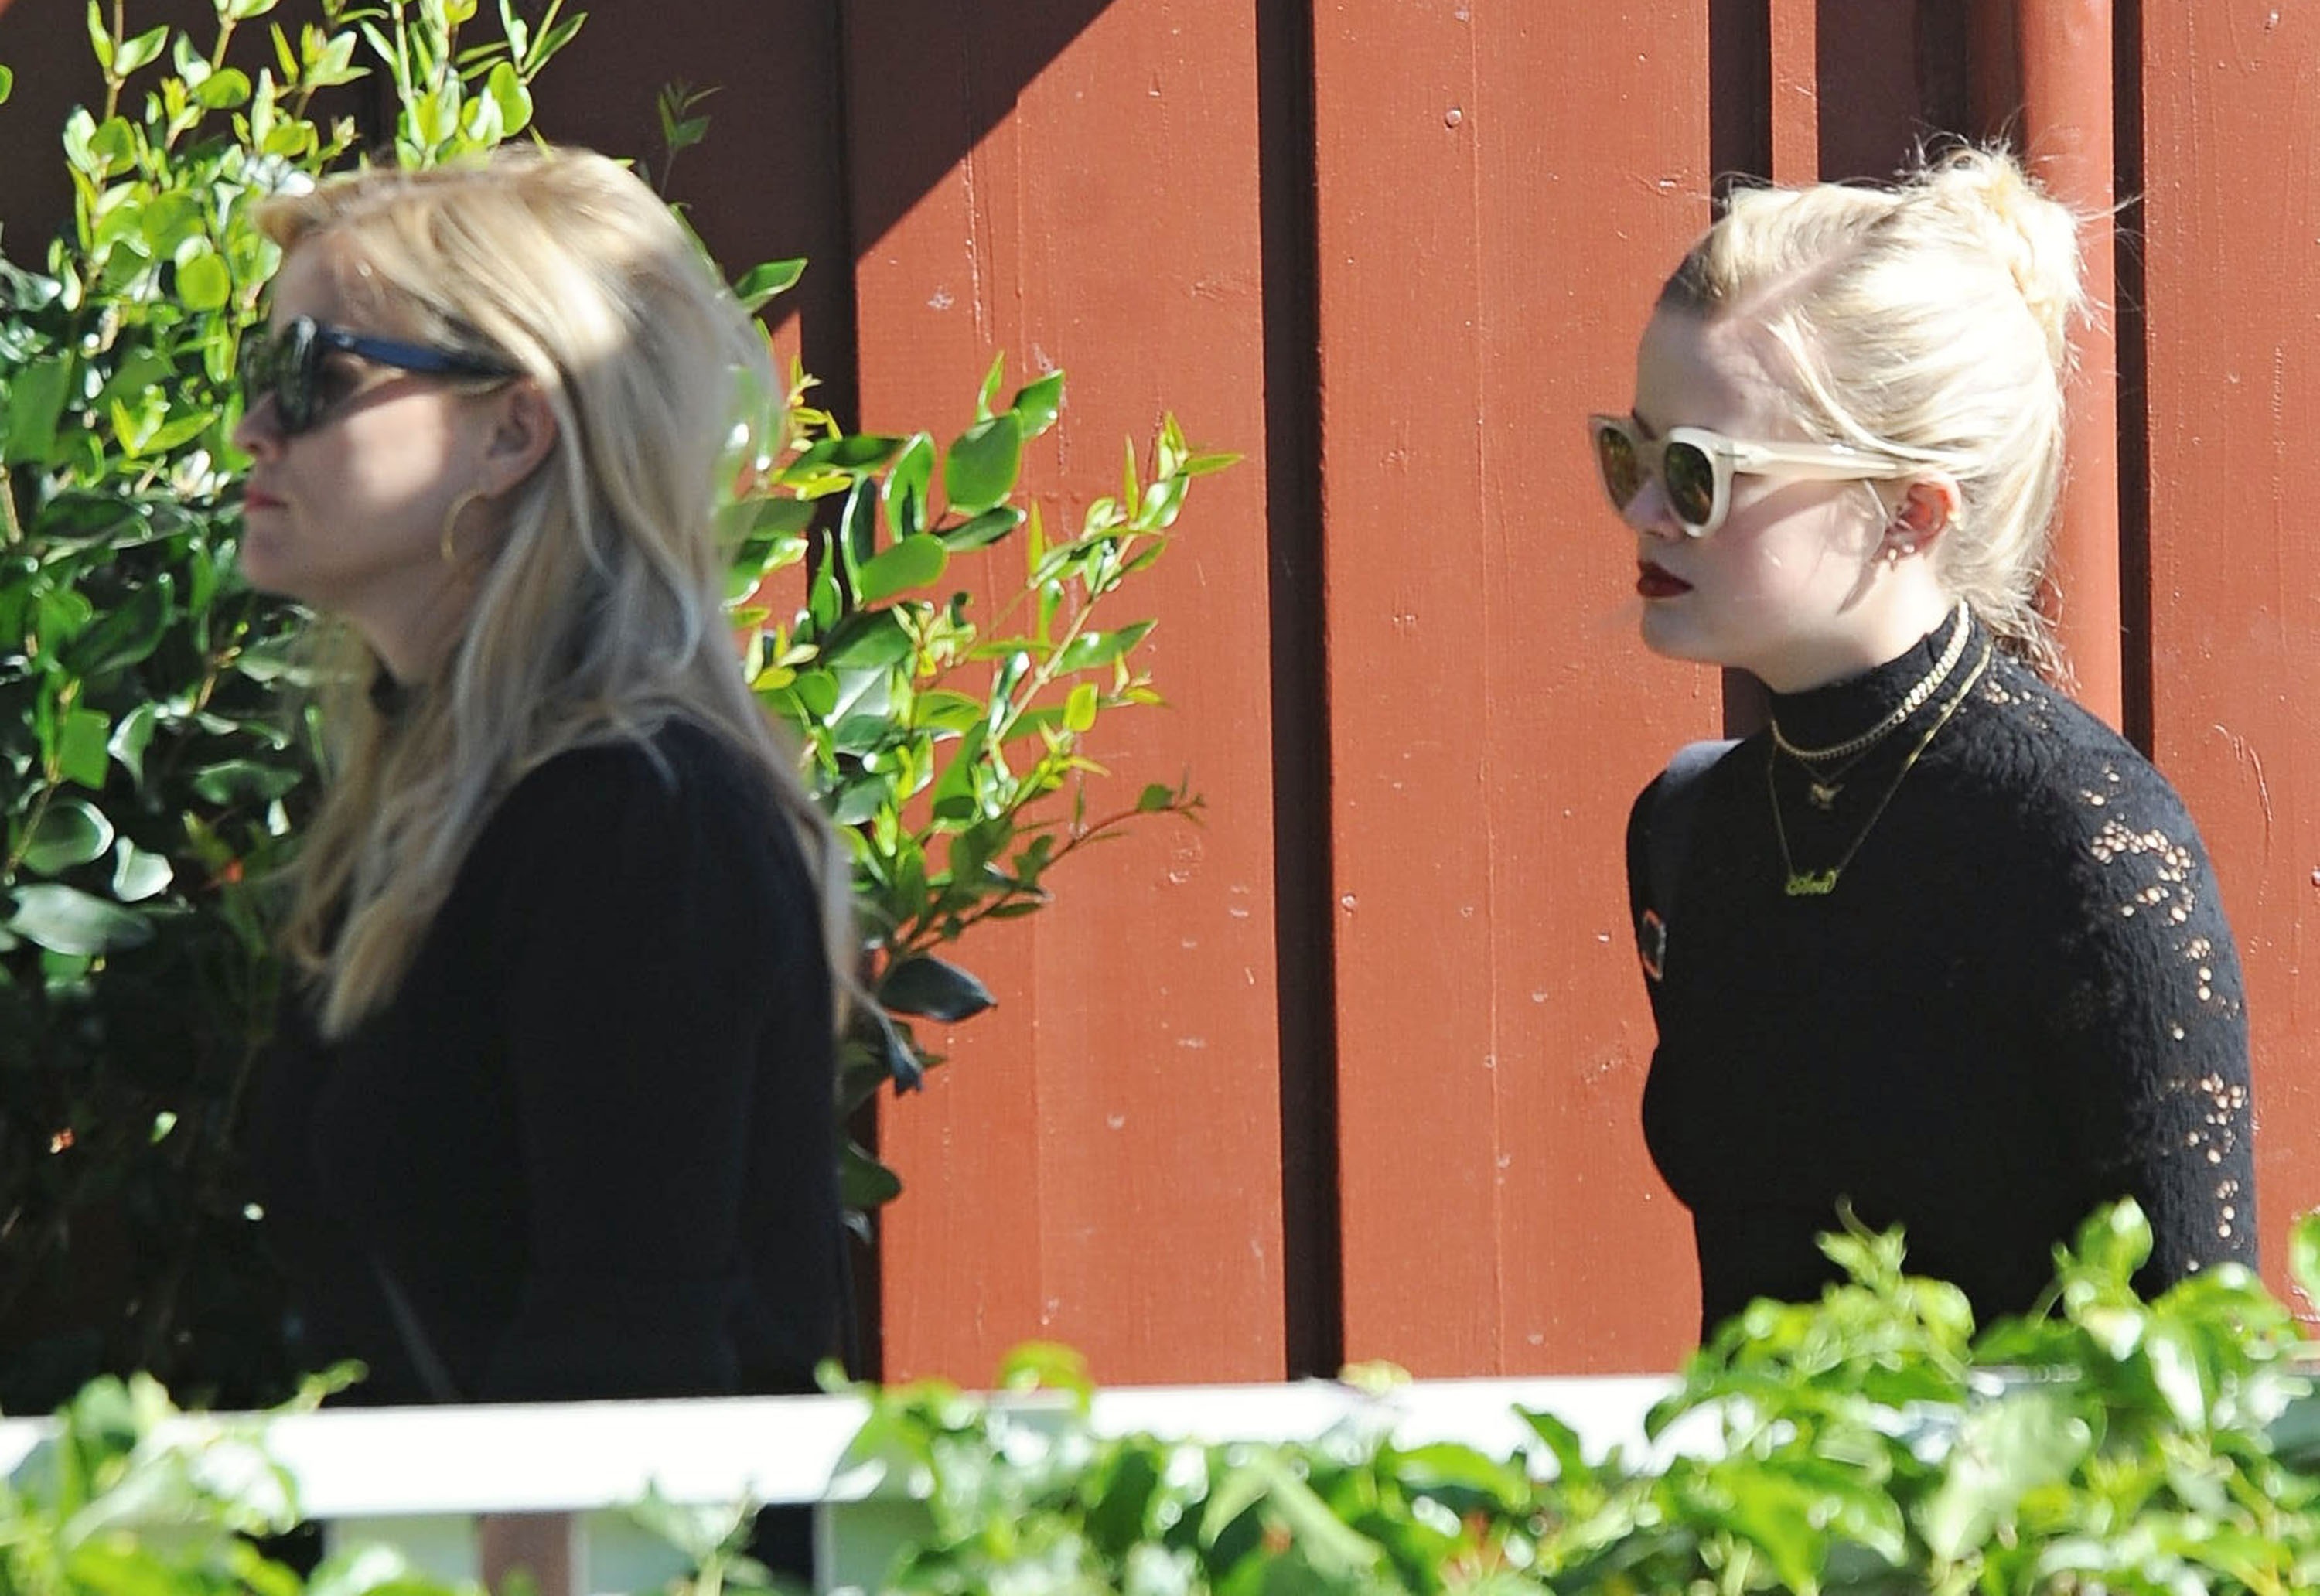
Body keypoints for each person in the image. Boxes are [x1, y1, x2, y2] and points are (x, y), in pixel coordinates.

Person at [1597, 147, 2256, 1339]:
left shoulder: (2084, 845)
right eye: (1627, 453)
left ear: (1909, 511)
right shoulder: (1693, 830)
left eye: (1697, 474)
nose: (1643, 510)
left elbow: (2201, 1370)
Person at [236, 146, 850, 1414]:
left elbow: (625, 1379)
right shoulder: (441, 801)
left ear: (511, 430)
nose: (253, 428)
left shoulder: (639, 820)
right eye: (258, 371)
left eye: (313, 376)